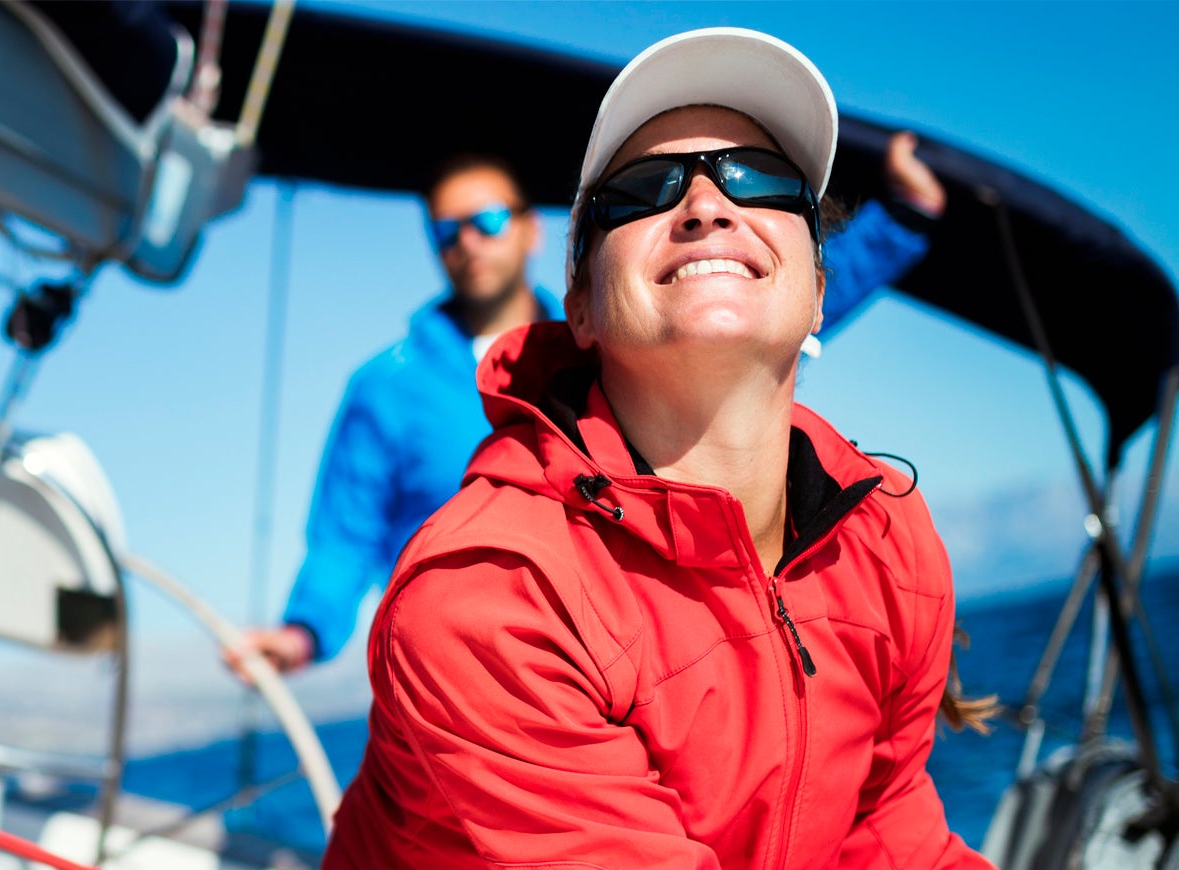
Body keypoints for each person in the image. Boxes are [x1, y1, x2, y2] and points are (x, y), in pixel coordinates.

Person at [37, 28, 1177, 870]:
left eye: (760, 184)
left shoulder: (888, 536)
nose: (703, 203)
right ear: (578, 302)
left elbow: (877, 823)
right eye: (640, 194)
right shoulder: (483, 583)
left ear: (812, 278)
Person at [229, 133, 950, 680]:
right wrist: (301, 634)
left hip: (631, 657)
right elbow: (344, 535)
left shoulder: (615, 337)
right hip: (462, 668)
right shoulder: (383, 388)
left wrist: (906, 218)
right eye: (446, 232)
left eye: (485, 219)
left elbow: (756, 299)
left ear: (527, 227)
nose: (468, 243)